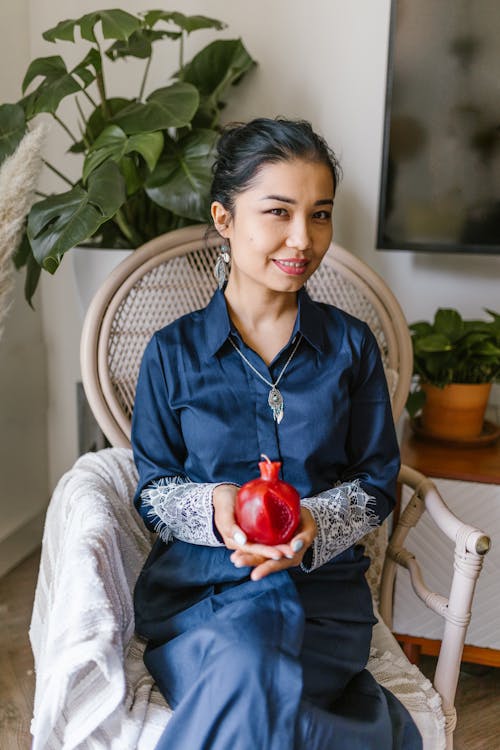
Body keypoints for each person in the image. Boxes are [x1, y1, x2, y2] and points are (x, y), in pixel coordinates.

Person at [132, 117, 422, 749]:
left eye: (320, 215)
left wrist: (313, 524)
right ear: (225, 218)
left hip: (321, 602)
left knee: (257, 668)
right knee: (248, 657)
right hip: (200, 602)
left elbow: (376, 481)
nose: (303, 238)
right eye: (279, 212)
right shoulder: (172, 351)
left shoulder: (350, 345)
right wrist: (215, 509)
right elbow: (154, 488)